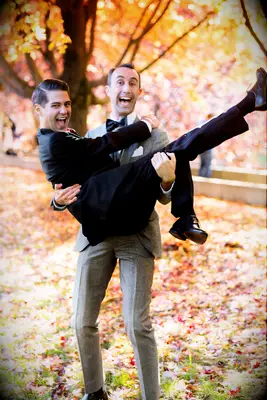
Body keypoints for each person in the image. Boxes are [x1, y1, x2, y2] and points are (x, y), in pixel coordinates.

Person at [50, 66, 266, 400]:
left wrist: (167, 179)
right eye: (119, 82)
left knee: (138, 325)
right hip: (96, 236)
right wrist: (57, 200)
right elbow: (65, 181)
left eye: (133, 83)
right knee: (81, 321)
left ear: (138, 91)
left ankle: (152, 396)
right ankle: (95, 392)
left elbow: (164, 193)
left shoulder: (157, 136)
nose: (126, 87)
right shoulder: (89, 136)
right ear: (108, 90)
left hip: (137, 235)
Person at [199, 114, 214, 178]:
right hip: (207, 148)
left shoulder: (201, 124)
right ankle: (204, 177)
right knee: (207, 164)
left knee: (203, 164)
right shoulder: (208, 125)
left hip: (201, 148)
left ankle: (201, 177)